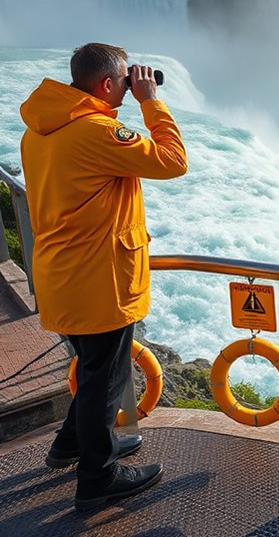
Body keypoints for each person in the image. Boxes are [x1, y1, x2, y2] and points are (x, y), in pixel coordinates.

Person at [20, 43, 187, 512]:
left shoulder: (39, 130)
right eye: (125, 82)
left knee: (95, 372)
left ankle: (71, 445)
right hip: (99, 277)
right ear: (109, 85)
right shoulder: (96, 130)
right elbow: (173, 160)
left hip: (60, 272)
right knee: (105, 379)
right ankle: (99, 477)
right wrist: (150, 100)